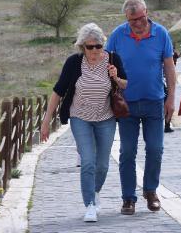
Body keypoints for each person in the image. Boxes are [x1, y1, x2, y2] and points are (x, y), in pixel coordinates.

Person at [41, 23, 126, 223]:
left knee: (103, 165)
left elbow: (125, 84)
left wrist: (116, 77)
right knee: (87, 161)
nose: (95, 50)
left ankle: (95, 192)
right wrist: (46, 121)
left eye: (98, 46)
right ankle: (89, 204)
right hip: (80, 118)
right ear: (82, 47)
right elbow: (58, 91)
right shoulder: (74, 63)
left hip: (106, 118)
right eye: (90, 47)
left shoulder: (113, 60)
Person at [105, 0, 176, 216]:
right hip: (126, 105)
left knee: (155, 149)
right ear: (126, 19)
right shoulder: (117, 35)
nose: (137, 23)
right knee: (127, 151)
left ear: (147, 13)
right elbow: (105, 65)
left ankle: (151, 190)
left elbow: (170, 69)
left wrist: (171, 98)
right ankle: (128, 198)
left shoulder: (161, 34)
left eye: (140, 18)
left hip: (154, 101)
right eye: (132, 20)